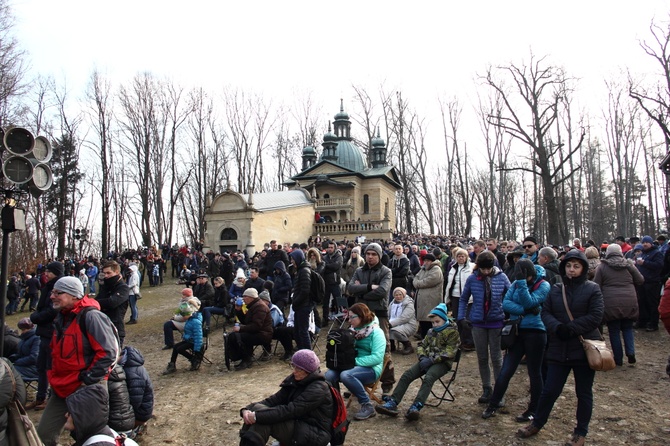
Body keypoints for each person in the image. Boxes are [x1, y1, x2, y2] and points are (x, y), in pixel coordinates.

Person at [516, 250, 604, 446]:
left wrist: (570, 328)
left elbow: (596, 316)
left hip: (582, 348)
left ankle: (580, 432)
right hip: (558, 347)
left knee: (584, 393)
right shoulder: (556, 289)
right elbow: (546, 312)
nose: (572, 270)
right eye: (569, 266)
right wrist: (557, 328)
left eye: (576, 266)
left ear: (583, 268)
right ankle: (537, 423)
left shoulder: (593, 289)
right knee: (550, 390)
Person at [38, 276, 120, 446]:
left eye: (58, 292)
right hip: (61, 387)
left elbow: (109, 352)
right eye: (52, 292)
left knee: (91, 436)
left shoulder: (91, 317)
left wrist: (88, 379)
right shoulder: (61, 316)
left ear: (75, 295)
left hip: (85, 388)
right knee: (43, 436)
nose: (52, 296)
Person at [481, 259, 550, 421]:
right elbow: (505, 304)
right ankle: (493, 404)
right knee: (506, 370)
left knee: (535, 372)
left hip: (536, 332)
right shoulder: (517, 284)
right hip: (517, 332)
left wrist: (521, 285)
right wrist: (526, 311)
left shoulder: (543, 285)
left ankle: (533, 409)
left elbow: (530, 301)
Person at [376, 303, 460, 420]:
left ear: (444, 320)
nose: (435, 324)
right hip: (427, 360)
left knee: (429, 377)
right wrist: (422, 357)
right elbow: (422, 345)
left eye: (437, 322)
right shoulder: (431, 331)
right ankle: (393, 402)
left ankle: (416, 406)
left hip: (442, 363)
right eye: (433, 322)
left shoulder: (452, 333)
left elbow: (449, 352)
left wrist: (431, 360)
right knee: (407, 375)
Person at [239, 349, 332, 446]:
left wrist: (256, 416)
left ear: (308, 371)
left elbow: (290, 410)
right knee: (258, 412)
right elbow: (273, 400)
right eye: (293, 366)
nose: (294, 371)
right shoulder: (295, 381)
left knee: (262, 420)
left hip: (315, 433)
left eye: (298, 369)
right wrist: (246, 410)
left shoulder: (319, 388)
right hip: (297, 424)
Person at [458, 250, 510, 405]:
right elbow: (463, 298)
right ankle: (486, 388)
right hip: (478, 323)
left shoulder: (502, 277)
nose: (486, 272)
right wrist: (461, 317)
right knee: (482, 357)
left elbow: (511, 295)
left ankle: (500, 392)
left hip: (496, 322)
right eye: (483, 269)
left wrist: (509, 315)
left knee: (497, 358)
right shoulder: (473, 279)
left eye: (488, 268)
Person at [325, 303, 385, 421]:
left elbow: (377, 358)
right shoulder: (352, 331)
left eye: (352, 317)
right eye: (349, 316)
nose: (349, 319)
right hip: (349, 365)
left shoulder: (376, 332)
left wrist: (353, 361)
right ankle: (337, 404)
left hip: (371, 369)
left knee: (346, 375)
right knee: (328, 375)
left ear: (361, 316)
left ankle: (367, 405)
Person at [348, 242, 395, 394]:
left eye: (374, 254)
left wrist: (360, 291)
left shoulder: (386, 271)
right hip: (360, 315)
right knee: (359, 344)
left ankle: (387, 382)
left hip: (379, 312)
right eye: (368, 253)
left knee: (384, 347)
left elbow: (381, 291)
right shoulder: (359, 270)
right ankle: (358, 380)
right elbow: (350, 288)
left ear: (379, 256)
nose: (370, 257)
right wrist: (368, 287)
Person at [593, 244, 644, 366]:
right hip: (629, 300)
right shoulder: (629, 265)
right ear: (620, 252)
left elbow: (595, 285)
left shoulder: (602, 267)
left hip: (610, 302)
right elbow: (640, 280)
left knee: (614, 330)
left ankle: (618, 358)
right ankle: (631, 352)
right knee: (627, 328)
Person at [28, 261, 63, 410]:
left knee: (50, 367)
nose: (46, 274)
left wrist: (36, 317)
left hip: (51, 331)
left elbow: (52, 310)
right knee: (41, 366)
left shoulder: (58, 288)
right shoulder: (47, 287)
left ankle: (50, 397)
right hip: (43, 331)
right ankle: (40, 396)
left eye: (49, 271)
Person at [64, 384, 139, 446]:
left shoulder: (99, 443)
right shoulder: (103, 432)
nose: (66, 415)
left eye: (71, 412)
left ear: (84, 416)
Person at [230, 288, 273, 371]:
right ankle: (243, 358)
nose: (243, 299)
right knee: (235, 335)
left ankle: (246, 359)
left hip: (263, 334)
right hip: (258, 332)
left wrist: (240, 329)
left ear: (251, 297)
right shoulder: (254, 306)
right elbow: (246, 321)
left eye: (244, 297)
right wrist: (238, 311)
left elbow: (256, 326)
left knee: (239, 337)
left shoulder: (259, 307)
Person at [119, 345, 153, 438]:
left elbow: (135, 402)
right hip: (141, 409)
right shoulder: (129, 365)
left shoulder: (133, 372)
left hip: (141, 413)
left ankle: (133, 430)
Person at [445, 247, 475, 350]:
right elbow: (450, 283)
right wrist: (447, 297)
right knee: (458, 319)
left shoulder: (472, 267)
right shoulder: (453, 267)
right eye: (458, 256)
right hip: (455, 296)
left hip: (468, 297)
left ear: (466, 257)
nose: (461, 258)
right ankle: (461, 340)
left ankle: (470, 342)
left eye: (462, 256)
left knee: (466, 320)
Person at [162, 302, 203, 374]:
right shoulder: (190, 320)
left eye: (183, 315)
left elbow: (198, 337)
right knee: (175, 347)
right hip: (189, 340)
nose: (182, 317)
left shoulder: (196, 322)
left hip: (194, 342)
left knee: (179, 349)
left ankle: (193, 359)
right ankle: (172, 364)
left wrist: (197, 350)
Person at [96, 260, 130, 346]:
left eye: (108, 273)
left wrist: (95, 302)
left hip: (115, 328)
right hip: (102, 326)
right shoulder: (105, 286)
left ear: (117, 272)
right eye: (104, 273)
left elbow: (112, 302)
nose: (106, 276)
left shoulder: (123, 288)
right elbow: (97, 300)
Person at [634, 235, 664, 331]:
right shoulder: (642, 254)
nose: (645, 244)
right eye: (643, 242)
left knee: (652, 303)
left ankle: (653, 323)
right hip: (642, 282)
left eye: (647, 242)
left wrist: (645, 263)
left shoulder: (656, 253)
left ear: (651, 243)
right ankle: (643, 321)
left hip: (652, 282)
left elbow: (659, 265)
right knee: (642, 302)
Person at [412, 253, 444, 338]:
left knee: (430, 322)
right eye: (425, 260)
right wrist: (417, 282)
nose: (426, 262)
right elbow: (415, 278)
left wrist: (417, 283)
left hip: (431, 301)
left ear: (432, 261)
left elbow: (428, 281)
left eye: (428, 261)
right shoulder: (423, 269)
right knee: (423, 323)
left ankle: (431, 341)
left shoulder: (436, 269)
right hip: (422, 301)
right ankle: (424, 340)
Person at [289, 249, 313, 351]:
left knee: (303, 332)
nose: (291, 261)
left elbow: (305, 291)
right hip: (300, 305)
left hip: (304, 306)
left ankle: (308, 355)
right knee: (297, 331)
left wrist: (296, 301)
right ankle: (301, 352)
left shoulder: (304, 271)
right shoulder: (300, 270)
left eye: (293, 259)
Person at [9, 317, 40, 383]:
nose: (22, 331)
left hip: (35, 369)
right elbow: (22, 353)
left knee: (9, 373)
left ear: (30, 328)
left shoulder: (37, 338)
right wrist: (14, 357)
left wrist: (18, 362)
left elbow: (34, 357)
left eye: (23, 329)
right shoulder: (25, 338)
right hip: (26, 365)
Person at [388, 287, 418, 354]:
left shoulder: (409, 303)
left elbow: (404, 318)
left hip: (408, 324)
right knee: (384, 329)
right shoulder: (392, 303)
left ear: (403, 295)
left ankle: (408, 346)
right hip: (394, 323)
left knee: (393, 331)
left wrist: (390, 324)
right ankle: (391, 346)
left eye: (400, 294)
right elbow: (388, 315)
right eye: (396, 295)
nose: (398, 296)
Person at [322, 241, 344, 324]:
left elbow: (336, 266)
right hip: (326, 282)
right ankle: (325, 318)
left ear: (334, 248)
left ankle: (341, 317)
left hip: (335, 282)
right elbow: (323, 266)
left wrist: (327, 266)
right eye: (328, 247)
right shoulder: (325, 257)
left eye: (331, 247)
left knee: (339, 300)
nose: (330, 249)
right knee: (325, 302)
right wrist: (330, 266)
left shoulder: (339, 257)